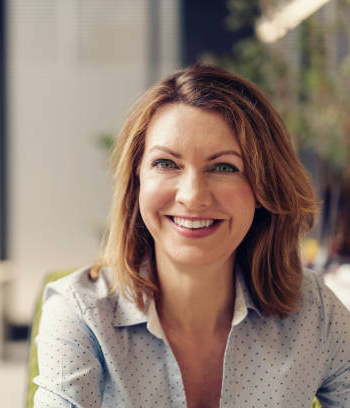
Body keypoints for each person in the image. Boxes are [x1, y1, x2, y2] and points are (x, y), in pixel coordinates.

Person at [33, 65, 350, 408]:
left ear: (262, 188)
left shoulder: (314, 313)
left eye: (224, 167)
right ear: (136, 181)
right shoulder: (79, 314)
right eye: (167, 163)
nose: (193, 196)